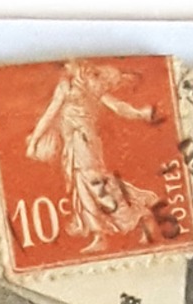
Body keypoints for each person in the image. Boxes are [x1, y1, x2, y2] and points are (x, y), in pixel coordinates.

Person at [25, 59, 164, 253]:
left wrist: (33, 143)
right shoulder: (81, 85)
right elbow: (116, 106)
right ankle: (103, 233)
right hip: (76, 143)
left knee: (93, 183)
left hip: (82, 141)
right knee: (85, 184)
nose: (66, 68)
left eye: (68, 64)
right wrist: (139, 114)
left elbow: (51, 114)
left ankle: (135, 217)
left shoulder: (77, 86)